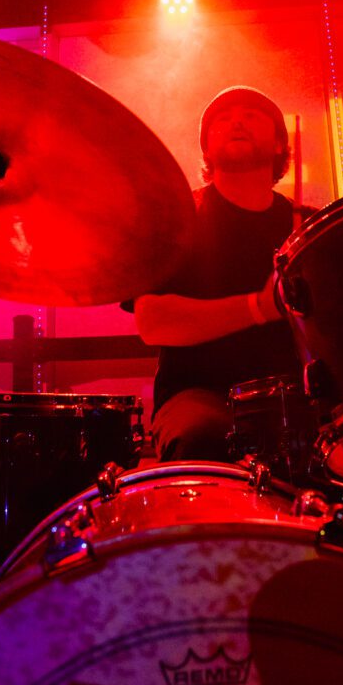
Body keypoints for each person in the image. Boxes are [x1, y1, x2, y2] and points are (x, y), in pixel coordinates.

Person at [134, 86, 305, 462]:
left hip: (301, 390)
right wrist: (259, 307)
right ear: (207, 150)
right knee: (203, 439)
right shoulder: (177, 220)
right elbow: (153, 322)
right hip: (198, 393)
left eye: (252, 115)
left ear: (280, 145)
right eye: (223, 119)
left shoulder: (307, 226)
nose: (237, 121)